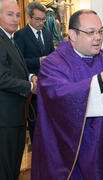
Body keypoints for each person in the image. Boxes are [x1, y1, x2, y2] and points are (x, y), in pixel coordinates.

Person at [31, 9, 103, 180]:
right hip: (71, 152)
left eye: (100, 31)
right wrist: (102, 80)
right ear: (72, 34)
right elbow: (59, 98)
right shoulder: (53, 64)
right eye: (91, 32)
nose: (98, 37)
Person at [0, 0, 37, 179]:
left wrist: (30, 77)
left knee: (13, 168)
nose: (15, 19)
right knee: (6, 170)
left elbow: (16, 68)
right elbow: (2, 78)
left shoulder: (9, 38)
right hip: (5, 120)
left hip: (16, 117)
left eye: (17, 15)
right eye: (9, 14)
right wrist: (30, 86)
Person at [14, 1, 55, 144]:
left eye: (43, 19)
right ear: (29, 17)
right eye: (38, 19)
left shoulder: (47, 34)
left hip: (47, 86)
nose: (41, 22)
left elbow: (52, 57)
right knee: (35, 126)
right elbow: (18, 62)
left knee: (48, 126)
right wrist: (38, 61)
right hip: (32, 87)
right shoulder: (20, 35)